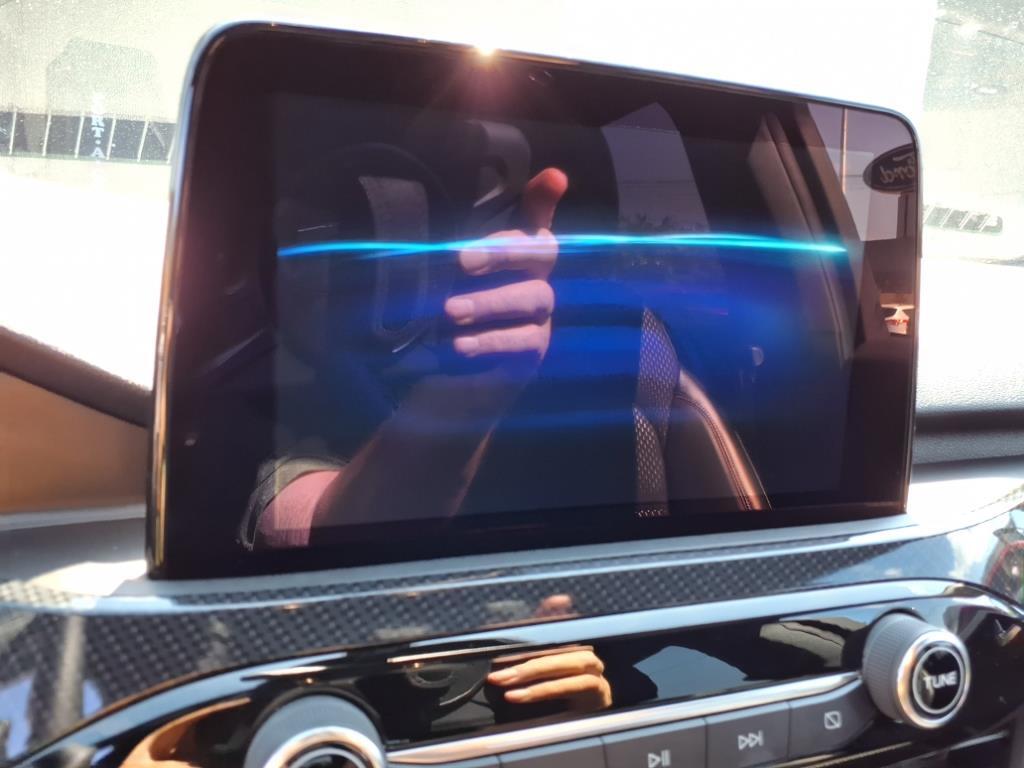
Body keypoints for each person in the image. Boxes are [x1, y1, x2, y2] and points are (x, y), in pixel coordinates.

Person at [246, 168, 570, 548]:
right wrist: (465, 397)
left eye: (393, 242)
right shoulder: (251, 405)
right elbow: (320, 530)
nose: (340, 268)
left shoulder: (563, 379)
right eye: (308, 241)